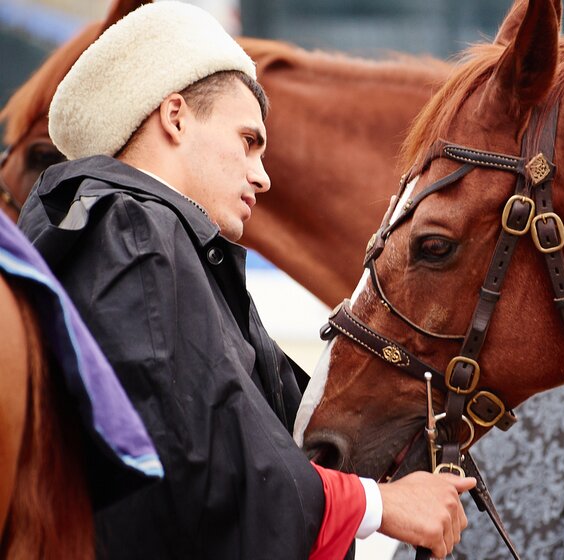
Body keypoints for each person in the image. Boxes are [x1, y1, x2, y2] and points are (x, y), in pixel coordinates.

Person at [17, 2, 474, 559]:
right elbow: (201, 477)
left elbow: (264, 443)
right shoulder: (134, 231)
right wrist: (382, 505)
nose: (263, 175)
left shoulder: (147, 238)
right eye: (249, 141)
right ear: (176, 116)